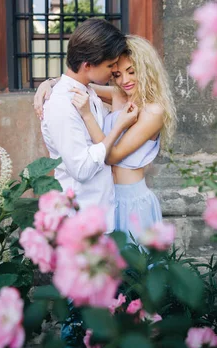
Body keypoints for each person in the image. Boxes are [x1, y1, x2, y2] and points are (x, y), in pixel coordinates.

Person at [35, 35, 176, 237]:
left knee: (135, 266)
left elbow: (111, 156)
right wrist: (48, 83)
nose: (124, 81)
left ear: (146, 70)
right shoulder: (119, 95)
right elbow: (79, 83)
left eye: (132, 72)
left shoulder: (153, 112)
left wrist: (87, 115)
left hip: (132, 202)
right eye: (117, 74)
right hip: (107, 199)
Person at [39, 18, 138, 233]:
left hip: (100, 214)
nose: (113, 71)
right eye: (110, 65)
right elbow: (81, 169)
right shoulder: (61, 103)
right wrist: (118, 128)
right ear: (88, 65)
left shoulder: (88, 92)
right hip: (79, 221)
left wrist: (50, 80)